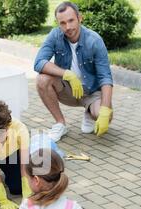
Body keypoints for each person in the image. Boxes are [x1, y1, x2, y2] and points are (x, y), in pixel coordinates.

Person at [34, 1, 114, 142]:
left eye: (71, 21)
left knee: (106, 116)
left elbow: (105, 77)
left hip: (91, 91)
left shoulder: (94, 40)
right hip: (68, 89)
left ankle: (90, 112)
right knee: (42, 79)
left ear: (80, 18)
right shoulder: (55, 36)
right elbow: (39, 62)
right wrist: (67, 74)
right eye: (63, 23)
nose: (68, 27)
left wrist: (105, 110)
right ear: (58, 23)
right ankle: (60, 124)